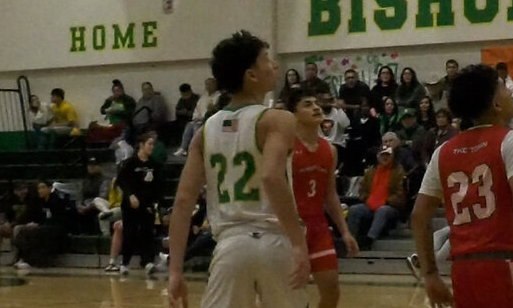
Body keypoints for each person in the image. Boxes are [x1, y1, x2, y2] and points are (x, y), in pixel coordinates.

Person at [410, 64, 513, 308]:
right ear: (496, 105)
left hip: (463, 271)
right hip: (505, 263)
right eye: (503, 88)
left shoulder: (442, 152)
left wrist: (429, 275)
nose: (510, 92)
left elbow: (418, 216)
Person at [166, 31, 309, 308]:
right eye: (266, 59)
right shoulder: (278, 120)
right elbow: (270, 176)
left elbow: (183, 202)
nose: (274, 65)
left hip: (230, 247)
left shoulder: (204, 131)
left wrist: (174, 271)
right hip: (274, 241)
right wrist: (298, 242)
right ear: (251, 75)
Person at [289, 88, 358, 308]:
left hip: (317, 227)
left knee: (331, 290)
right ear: (294, 114)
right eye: (307, 104)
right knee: (287, 295)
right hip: (289, 228)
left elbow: (330, 195)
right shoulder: (285, 147)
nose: (316, 107)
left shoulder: (330, 149)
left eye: (316, 103)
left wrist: (345, 231)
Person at [117, 131, 163, 274]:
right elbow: (121, 181)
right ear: (141, 145)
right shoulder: (130, 163)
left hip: (146, 205)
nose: (152, 147)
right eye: (149, 144)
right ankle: (124, 263)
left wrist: (156, 202)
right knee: (130, 232)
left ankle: (148, 262)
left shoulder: (154, 165)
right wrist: (130, 195)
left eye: (153, 144)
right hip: (130, 205)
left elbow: (159, 185)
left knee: (147, 233)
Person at [349, 143, 407, 245]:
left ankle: (370, 239)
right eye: (382, 155)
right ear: (378, 157)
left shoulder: (399, 172)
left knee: (382, 211)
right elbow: (362, 190)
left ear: (392, 156)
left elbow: (401, 194)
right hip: (370, 204)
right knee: (354, 210)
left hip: (391, 207)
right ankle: (350, 239)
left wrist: (386, 201)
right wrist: (367, 198)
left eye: (388, 155)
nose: (385, 157)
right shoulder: (370, 172)